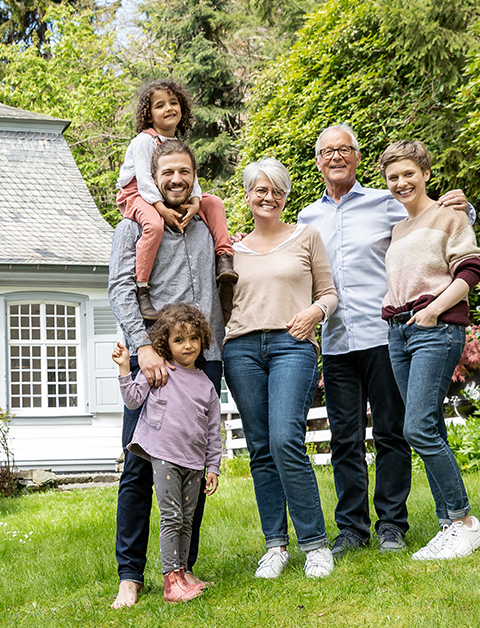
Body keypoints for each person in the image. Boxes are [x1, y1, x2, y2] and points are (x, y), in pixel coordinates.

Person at [297, 124, 473, 558]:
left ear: (357, 157)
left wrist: (466, 209)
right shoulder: (305, 218)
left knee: (394, 433)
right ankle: (352, 529)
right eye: (326, 151)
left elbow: (435, 222)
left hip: (385, 336)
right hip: (337, 340)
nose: (335, 157)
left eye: (344, 149)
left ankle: (392, 525)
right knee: (345, 440)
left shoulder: (386, 202)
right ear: (317, 161)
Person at [107, 139, 226, 608]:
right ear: (154, 177)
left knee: (193, 463)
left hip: (204, 358)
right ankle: (131, 575)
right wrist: (143, 347)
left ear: (194, 175)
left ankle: (183, 568)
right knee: (138, 467)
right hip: (152, 358)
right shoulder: (131, 228)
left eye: (185, 172)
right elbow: (120, 289)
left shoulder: (206, 224)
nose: (177, 179)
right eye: (168, 172)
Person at [223, 157, 339, 580]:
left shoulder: (307, 236)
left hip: (293, 344)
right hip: (242, 350)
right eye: (260, 190)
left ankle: (314, 545)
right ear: (249, 196)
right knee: (260, 448)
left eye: (276, 190)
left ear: (285, 196)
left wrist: (314, 313)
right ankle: (275, 547)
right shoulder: (231, 249)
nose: (267, 197)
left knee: (284, 439)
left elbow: (329, 293)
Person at [378, 140, 480, 560]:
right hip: (399, 332)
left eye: (408, 173)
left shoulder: (449, 215)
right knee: (430, 427)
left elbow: (470, 269)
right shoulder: (399, 228)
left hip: (434, 328)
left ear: (425, 173)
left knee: (417, 427)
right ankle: (448, 526)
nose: (401, 182)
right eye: (393, 177)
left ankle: (463, 521)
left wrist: (434, 311)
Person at [112, 303, 222, 602]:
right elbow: (133, 401)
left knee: (187, 519)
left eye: (194, 338)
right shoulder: (161, 372)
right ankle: (171, 582)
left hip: (194, 462)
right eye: (179, 339)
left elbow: (213, 430)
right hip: (164, 456)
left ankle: (183, 573)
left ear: (203, 341)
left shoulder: (206, 385)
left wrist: (213, 466)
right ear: (165, 344)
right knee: (171, 517)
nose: (188, 345)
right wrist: (125, 368)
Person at [116, 79, 235, 320]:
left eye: (173, 102)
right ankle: (142, 287)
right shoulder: (143, 141)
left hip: (163, 194)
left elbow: (192, 179)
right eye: (160, 105)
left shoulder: (177, 144)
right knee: (154, 226)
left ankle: (224, 259)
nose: (168, 108)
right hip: (137, 194)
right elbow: (144, 181)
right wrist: (162, 209)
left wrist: (196, 202)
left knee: (215, 203)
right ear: (148, 115)